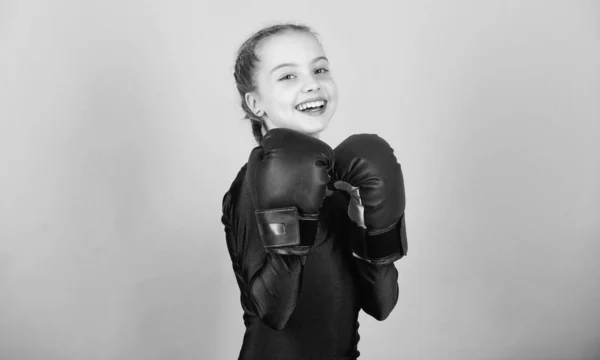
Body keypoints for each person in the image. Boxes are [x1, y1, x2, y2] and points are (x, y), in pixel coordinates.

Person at [221, 23, 408, 360]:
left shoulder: (347, 182)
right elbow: (273, 312)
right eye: (287, 76)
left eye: (319, 69)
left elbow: (382, 304)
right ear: (255, 102)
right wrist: (289, 238)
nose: (312, 84)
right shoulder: (250, 185)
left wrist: (374, 229)